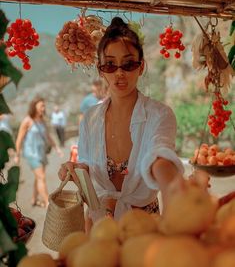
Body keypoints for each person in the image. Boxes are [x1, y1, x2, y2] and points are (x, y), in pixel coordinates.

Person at [58, 17, 205, 229]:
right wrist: (75, 169)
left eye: (128, 64)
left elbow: (160, 158)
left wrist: (174, 189)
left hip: (145, 227)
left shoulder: (160, 115)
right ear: (100, 70)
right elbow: (89, 164)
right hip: (100, 225)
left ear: (141, 67)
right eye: (110, 64)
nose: (119, 73)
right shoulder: (90, 119)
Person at [15, 96, 62, 208]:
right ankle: (47, 202)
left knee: (38, 177)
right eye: (41, 105)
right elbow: (19, 139)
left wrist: (57, 148)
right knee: (41, 177)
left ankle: (34, 199)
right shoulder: (27, 121)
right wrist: (17, 155)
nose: (43, 108)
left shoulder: (41, 120)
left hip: (41, 153)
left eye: (44, 105)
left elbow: (48, 136)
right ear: (34, 106)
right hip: (31, 153)